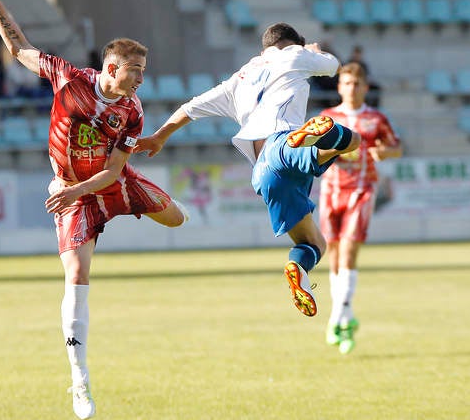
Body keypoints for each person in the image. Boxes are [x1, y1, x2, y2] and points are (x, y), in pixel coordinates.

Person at [0, 0, 188, 420]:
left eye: (143, 71)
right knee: (76, 273)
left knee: (178, 219)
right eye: (134, 70)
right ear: (111, 68)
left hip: (110, 183)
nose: (140, 78)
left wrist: (82, 192)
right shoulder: (68, 78)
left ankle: (117, 211)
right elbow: (19, 49)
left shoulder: (131, 111)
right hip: (74, 190)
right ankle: (80, 381)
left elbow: (116, 170)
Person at [137, 23, 360, 319]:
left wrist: (159, 136)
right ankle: (314, 135)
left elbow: (190, 108)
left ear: (263, 48)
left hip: (264, 172)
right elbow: (333, 67)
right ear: (291, 43)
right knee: (354, 140)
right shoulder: (294, 54)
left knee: (312, 243)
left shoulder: (238, 80)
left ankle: (298, 269)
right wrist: (314, 51)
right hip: (282, 143)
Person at [318, 62, 402, 354]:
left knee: (350, 249)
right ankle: (347, 318)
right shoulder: (327, 118)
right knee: (334, 254)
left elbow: (397, 147)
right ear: (339, 86)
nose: (351, 88)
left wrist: (385, 152)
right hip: (331, 189)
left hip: (362, 189)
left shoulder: (375, 119)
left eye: (357, 83)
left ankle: (336, 318)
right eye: (346, 83)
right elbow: (313, 150)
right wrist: (333, 150)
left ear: (365, 87)